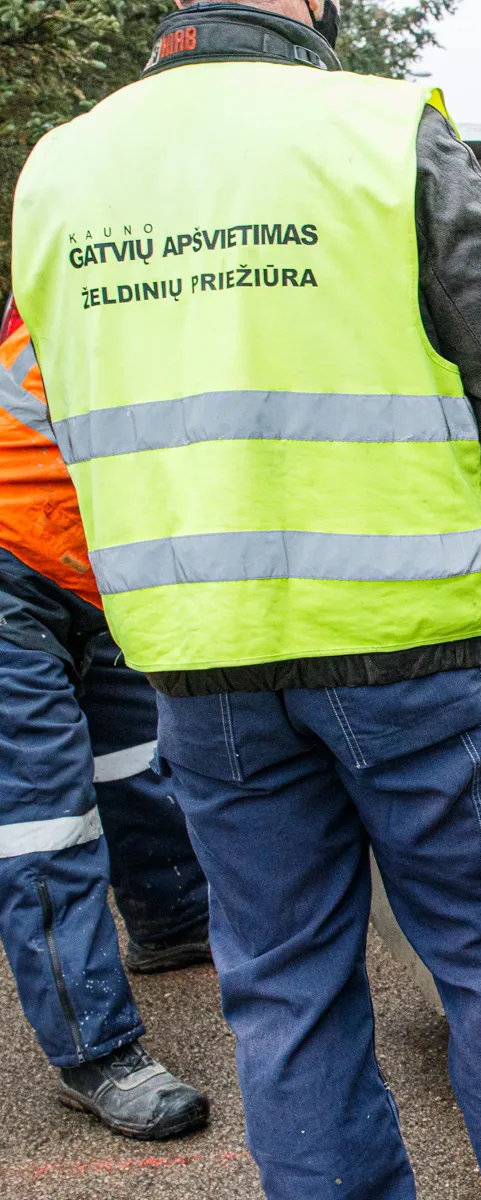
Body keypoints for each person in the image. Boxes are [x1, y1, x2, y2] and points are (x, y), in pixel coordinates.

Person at [9, 2, 481, 1196]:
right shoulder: (379, 133)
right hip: (412, 653)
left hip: (200, 663)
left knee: (284, 994)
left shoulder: (61, 172)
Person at [0, 302, 212, 1139]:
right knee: (44, 819)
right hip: (16, 551)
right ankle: (94, 1052)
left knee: (132, 755)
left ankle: (171, 923)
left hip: (97, 561)